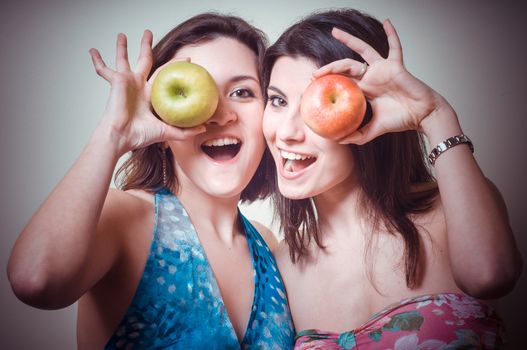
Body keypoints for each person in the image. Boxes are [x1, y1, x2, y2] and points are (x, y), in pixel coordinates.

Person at [7, 13, 294, 349]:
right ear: (159, 124)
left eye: (242, 92)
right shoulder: (126, 218)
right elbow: (35, 281)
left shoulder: (270, 244)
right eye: (203, 92)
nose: (219, 114)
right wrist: (114, 133)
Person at [261, 8, 522, 349]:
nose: (286, 132)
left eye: (315, 104)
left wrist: (434, 115)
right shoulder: (280, 268)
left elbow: (490, 277)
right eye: (277, 101)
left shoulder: (452, 210)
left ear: (365, 108)